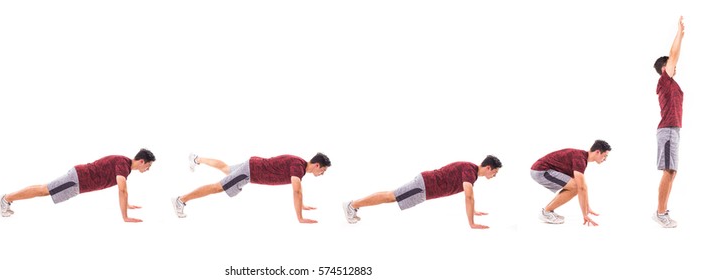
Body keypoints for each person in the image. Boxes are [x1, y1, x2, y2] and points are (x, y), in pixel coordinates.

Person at [0, 149, 155, 223]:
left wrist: (126, 204)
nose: (148, 169)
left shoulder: (124, 166)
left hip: (78, 181)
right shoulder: (123, 164)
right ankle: (6, 198)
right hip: (78, 179)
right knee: (44, 190)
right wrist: (125, 216)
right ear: (142, 161)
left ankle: (7, 199)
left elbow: (121, 189)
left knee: (44, 190)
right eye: (148, 166)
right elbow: (122, 189)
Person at [342, 155, 501, 229]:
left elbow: (469, 195)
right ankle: (352, 205)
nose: (495, 175)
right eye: (495, 172)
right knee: (391, 196)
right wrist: (471, 223)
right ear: (488, 168)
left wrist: (473, 210)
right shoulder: (470, 170)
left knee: (392, 196)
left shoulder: (471, 172)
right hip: (425, 186)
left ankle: (353, 205)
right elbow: (469, 195)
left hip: (425, 187)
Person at [172, 152, 331, 223]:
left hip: (252, 164)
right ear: (317, 165)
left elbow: (298, 191)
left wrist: (301, 204)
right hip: (251, 171)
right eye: (323, 170)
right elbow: (297, 191)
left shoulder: (299, 164)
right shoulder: (298, 167)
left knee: (227, 169)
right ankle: (181, 200)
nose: (322, 173)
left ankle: (196, 159)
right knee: (218, 187)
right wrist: (300, 217)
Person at [652, 16, 685, 228]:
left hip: (674, 130)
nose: (675, 66)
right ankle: (660, 213)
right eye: (671, 65)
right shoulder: (664, 80)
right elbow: (673, 55)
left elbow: (673, 58)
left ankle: (662, 211)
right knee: (668, 171)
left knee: (673, 171)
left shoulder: (671, 83)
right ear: (665, 68)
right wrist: (679, 34)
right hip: (667, 130)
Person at [531, 140, 611, 226]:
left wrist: (588, 207)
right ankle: (545, 213)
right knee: (576, 187)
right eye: (605, 156)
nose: (605, 159)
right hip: (541, 171)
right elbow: (581, 188)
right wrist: (585, 215)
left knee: (576, 186)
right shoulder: (580, 159)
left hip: (542, 170)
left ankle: (548, 211)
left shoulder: (581, 157)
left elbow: (583, 186)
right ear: (598, 152)